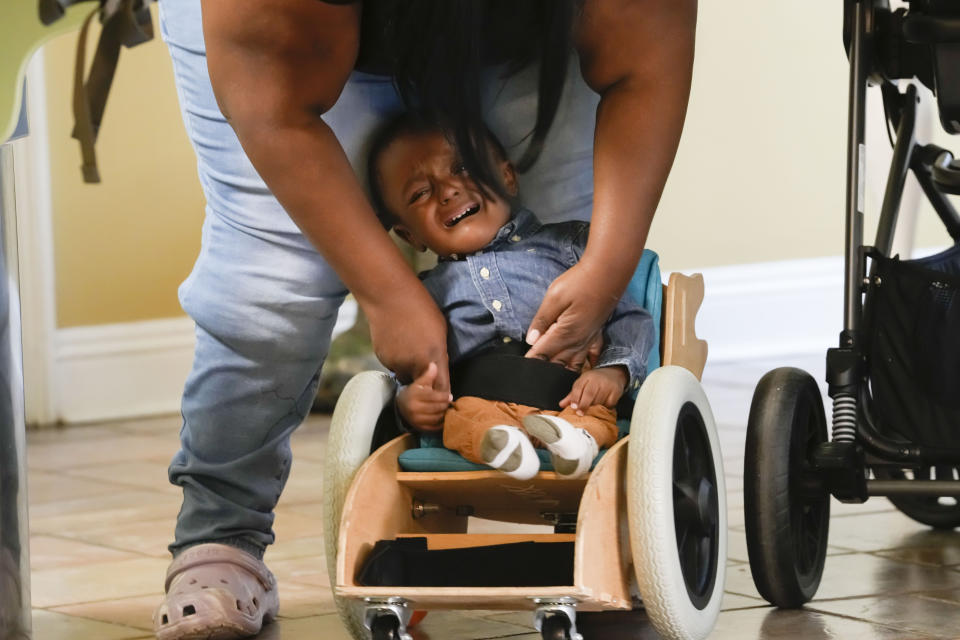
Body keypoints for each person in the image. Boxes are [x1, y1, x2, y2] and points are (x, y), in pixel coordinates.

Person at [153, 2, 696, 639]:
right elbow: (272, 106)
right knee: (273, 289)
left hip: (519, 34)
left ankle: (605, 526)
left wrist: (605, 272)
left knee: (560, 242)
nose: (446, 191)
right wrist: (388, 295)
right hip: (285, 46)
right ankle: (221, 537)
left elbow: (645, 60)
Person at [369, 115, 654, 480]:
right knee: (461, 422)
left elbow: (630, 317)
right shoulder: (421, 296)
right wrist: (409, 402)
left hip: (572, 394)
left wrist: (613, 372)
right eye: (420, 193)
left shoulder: (571, 246)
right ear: (409, 236)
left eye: (463, 167)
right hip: (478, 401)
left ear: (506, 176)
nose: (448, 190)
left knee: (593, 413)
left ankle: (575, 443)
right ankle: (503, 444)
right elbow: (411, 366)